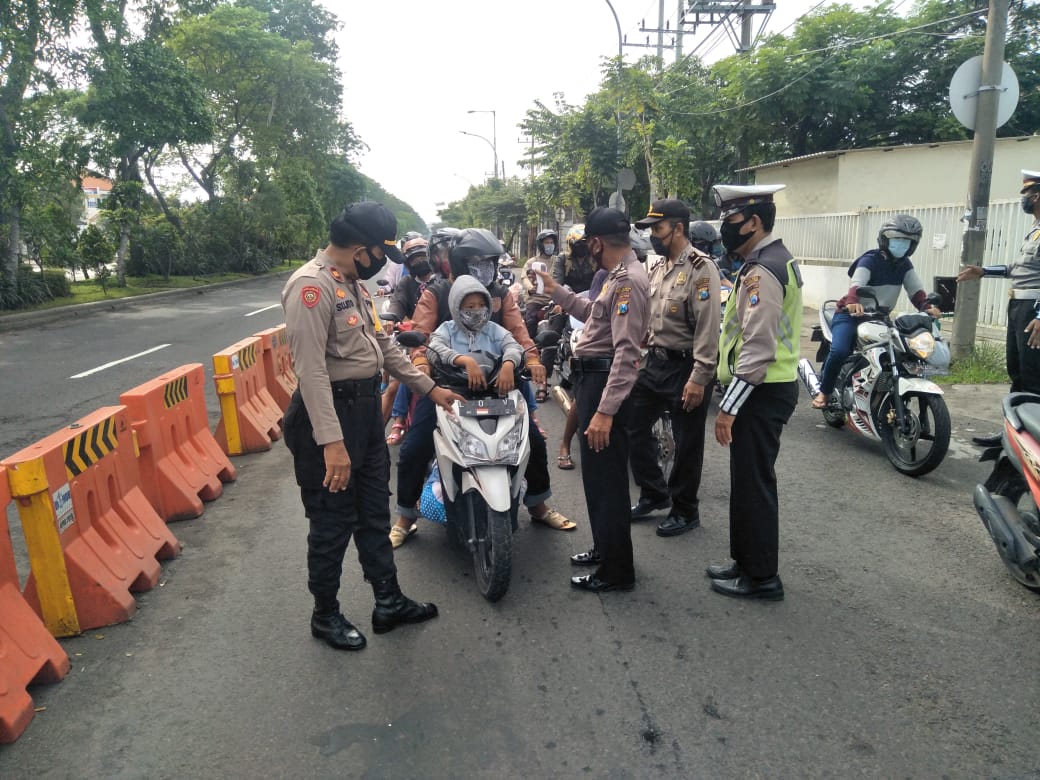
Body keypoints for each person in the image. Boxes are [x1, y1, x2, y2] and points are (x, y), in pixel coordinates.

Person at [281, 201, 461, 651]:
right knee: (331, 523)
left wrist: (430, 389)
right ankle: (325, 615)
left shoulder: (353, 285)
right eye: (381, 253)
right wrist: (331, 443)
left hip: (363, 414)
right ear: (361, 249)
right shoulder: (311, 287)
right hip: (329, 418)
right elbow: (311, 372)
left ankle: (388, 601)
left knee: (373, 515)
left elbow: (384, 346)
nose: (382, 262)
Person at [391, 227, 574, 547]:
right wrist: (421, 365)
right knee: (414, 446)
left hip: (499, 386)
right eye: (479, 262)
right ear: (460, 261)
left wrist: (532, 360)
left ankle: (538, 505)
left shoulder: (500, 294)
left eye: (490, 262)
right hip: (447, 389)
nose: (487, 269)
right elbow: (421, 337)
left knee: (532, 441)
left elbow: (518, 333)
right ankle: (406, 517)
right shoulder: (437, 292)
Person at [533, 207, 650, 593]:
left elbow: (627, 353)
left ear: (597, 243)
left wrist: (604, 411)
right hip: (593, 380)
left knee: (609, 482)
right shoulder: (617, 277)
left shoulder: (628, 281)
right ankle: (606, 548)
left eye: (589, 246)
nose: (587, 253)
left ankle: (617, 571)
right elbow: (594, 315)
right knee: (598, 480)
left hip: (604, 383)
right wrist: (557, 291)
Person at [710, 184, 802, 602]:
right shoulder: (767, 262)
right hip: (763, 388)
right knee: (746, 481)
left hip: (761, 391)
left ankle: (762, 577)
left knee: (754, 484)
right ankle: (744, 561)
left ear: (754, 222)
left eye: (731, 221)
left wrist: (728, 408)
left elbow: (758, 348)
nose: (725, 229)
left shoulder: (763, 271)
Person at [629, 199, 720, 537]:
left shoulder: (701, 268)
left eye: (658, 228)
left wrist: (700, 377)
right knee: (632, 426)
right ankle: (654, 492)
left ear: (678, 228)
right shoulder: (658, 267)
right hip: (655, 363)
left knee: (686, 443)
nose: (653, 235)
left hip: (686, 367)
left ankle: (685, 510)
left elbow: (708, 328)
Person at [813, 215, 941, 410]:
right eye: (897, 239)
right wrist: (853, 301)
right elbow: (857, 283)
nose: (902, 244)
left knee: (896, 355)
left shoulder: (905, 265)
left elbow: (916, 292)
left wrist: (926, 307)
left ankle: (876, 397)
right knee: (840, 351)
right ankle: (825, 391)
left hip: (879, 319)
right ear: (885, 239)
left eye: (907, 241)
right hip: (850, 315)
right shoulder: (870, 260)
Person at [958, 169, 1040, 446]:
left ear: (1038, 196)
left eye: (1028, 193)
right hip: (1019, 306)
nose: (1025, 198)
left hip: (1033, 309)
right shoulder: (1035, 230)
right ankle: (1013, 434)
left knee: (1033, 377)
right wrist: (983, 271)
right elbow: (1017, 268)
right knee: (1017, 372)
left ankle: (1032, 440)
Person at [425, 275, 524, 396]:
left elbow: (513, 346)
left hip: (495, 391)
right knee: (425, 394)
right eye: (471, 307)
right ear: (457, 308)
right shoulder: (447, 329)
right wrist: (465, 361)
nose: (477, 310)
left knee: (523, 387)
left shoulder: (494, 329)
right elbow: (434, 348)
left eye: (482, 305)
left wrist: (508, 364)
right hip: (453, 391)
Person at [383, 236, 436, 443]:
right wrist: (392, 319)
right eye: (414, 259)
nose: (419, 262)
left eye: (422, 257)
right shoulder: (406, 283)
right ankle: (394, 423)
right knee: (397, 384)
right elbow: (397, 302)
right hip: (412, 339)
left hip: (440, 341)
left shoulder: (441, 282)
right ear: (407, 263)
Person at [553, 223, 598, 294]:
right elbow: (557, 284)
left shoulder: (595, 259)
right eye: (579, 243)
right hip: (568, 297)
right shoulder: (563, 258)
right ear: (571, 244)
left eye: (585, 242)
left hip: (591, 297)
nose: (583, 245)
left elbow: (600, 283)